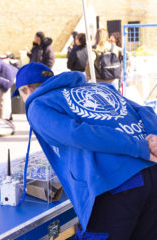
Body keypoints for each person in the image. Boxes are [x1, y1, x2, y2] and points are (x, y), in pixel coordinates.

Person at [12, 62, 157, 239]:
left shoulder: (38, 105)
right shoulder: (100, 88)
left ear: (26, 89)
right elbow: (145, 110)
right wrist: (153, 139)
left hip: (114, 183)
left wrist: (140, 148)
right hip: (151, 170)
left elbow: (77, 134)